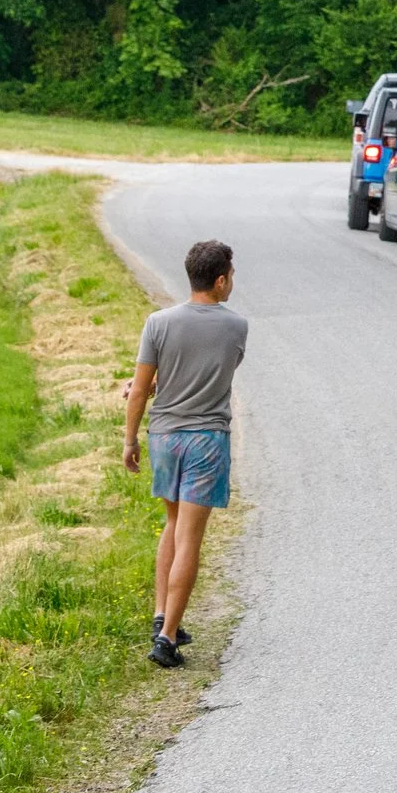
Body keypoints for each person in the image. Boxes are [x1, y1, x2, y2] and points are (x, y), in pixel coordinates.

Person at [123, 239, 247, 669]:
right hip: (206, 441)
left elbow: (141, 387)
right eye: (231, 275)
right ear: (219, 280)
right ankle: (168, 638)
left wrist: (129, 439)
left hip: (164, 437)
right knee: (190, 537)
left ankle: (162, 616)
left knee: (172, 524)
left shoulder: (157, 322)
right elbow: (214, 373)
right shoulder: (236, 327)